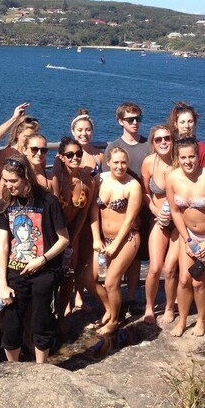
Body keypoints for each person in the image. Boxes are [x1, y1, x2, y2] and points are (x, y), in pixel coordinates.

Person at [0, 154, 69, 364]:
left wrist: (42, 260)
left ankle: (41, 369)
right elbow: (3, 245)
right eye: (5, 180)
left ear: (26, 178)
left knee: (42, 321)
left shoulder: (48, 201)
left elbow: (64, 239)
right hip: (15, 271)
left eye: (13, 181)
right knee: (11, 325)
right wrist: (2, 283)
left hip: (44, 271)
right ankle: (13, 369)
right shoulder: (4, 205)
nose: (8, 185)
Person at [166, 138, 205, 337]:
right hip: (190, 236)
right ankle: (183, 320)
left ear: (198, 156)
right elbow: (175, 211)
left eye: (191, 156)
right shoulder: (172, 178)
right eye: (183, 157)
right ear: (178, 158)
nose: (187, 161)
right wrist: (187, 239)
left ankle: (201, 320)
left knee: (198, 281)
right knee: (184, 280)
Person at [86, 147, 142, 335]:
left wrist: (116, 244)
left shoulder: (132, 185)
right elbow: (93, 211)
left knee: (111, 282)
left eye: (123, 162)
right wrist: (95, 239)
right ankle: (110, 309)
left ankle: (114, 320)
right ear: (108, 162)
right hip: (103, 240)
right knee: (88, 278)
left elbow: (129, 220)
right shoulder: (99, 179)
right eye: (116, 162)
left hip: (127, 239)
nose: (120, 166)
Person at [100, 102, 149, 317]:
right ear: (121, 121)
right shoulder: (113, 147)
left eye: (138, 118)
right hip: (121, 208)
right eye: (130, 119)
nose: (135, 123)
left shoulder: (148, 145)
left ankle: (130, 298)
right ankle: (115, 299)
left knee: (135, 257)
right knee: (117, 262)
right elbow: (105, 180)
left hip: (142, 206)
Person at [53, 137, 95, 325]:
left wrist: (73, 236)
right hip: (53, 232)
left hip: (73, 233)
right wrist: (59, 236)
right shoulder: (56, 177)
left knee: (69, 273)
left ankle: (63, 313)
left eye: (78, 154)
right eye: (70, 155)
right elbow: (52, 209)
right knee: (52, 275)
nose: (75, 158)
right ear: (62, 157)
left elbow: (84, 212)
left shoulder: (88, 181)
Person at [140, 124, 178, 325]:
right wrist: (155, 211)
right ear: (153, 143)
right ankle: (149, 306)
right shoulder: (148, 163)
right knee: (154, 267)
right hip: (158, 219)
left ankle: (170, 307)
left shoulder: (180, 162)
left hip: (179, 222)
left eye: (167, 138)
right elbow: (145, 192)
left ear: (172, 141)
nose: (163, 142)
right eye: (158, 139)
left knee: (170, 268)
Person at [0, 115, 40, 194]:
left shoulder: (37, 154)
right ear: (17, 134)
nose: (29, 140)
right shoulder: (5, 154)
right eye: (26, 137)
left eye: (32, 137)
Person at [167, 101, 205, 170]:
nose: (186, 126)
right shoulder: (170, 147)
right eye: (182, 122)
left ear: (195, 123)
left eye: (190, 121)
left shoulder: (203, 149)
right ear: (176, 124)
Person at [69, 108, 103, 174]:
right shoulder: (64, 155)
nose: (84, 133)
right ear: (73, 131)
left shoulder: (100, 156)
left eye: (88, 130)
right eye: (80, 130)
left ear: (92, 131)